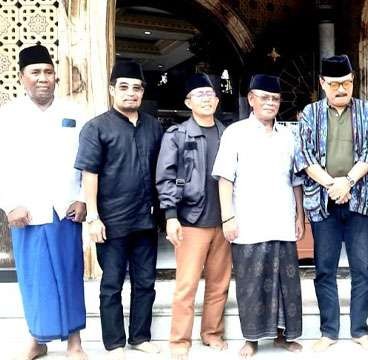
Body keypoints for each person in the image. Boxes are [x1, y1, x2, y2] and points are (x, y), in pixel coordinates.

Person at [0, 44, 87, 360]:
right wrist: (10, 204)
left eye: (48, 72)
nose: (42, 78)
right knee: (34, 278)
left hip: (65, 208)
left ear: (55, 77)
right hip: (26, 210)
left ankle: (75, 342)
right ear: (22, 78)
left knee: (70, 272)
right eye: (35, 72)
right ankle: (37, 339)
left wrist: (82, 199)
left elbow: (88, 161)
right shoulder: (8, 115)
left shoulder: (75, 112)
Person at [74, 61, 164, 359]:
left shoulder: (154, 126)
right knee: (111, 285)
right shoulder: (96, 127)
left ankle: (140, 336)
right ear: (112, 90)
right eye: (123, 87)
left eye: (136, 88)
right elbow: (90, 174)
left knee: (146, 282)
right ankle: (114, 344)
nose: (131, 93)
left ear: (142, 92)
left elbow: (161, 172)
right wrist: (93, 217)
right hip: (110, 222)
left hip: (146, 220)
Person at [294, 54, 368, 351]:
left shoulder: (367, 110)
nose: (341, 89)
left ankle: (360, 329)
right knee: (324, 270)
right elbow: (303, 157)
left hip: (359, 201)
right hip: (323, 201)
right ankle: (329, 331)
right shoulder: (310, 113)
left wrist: (348, 182)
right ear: (322, 84)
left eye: (346, 82)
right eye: (334, 84)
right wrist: (333, 184)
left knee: (362, 269)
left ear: (353, 80)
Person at [213, 74, 305, 359]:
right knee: (251, 285)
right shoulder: (235, 133)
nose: (270, 103)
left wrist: (300, 215)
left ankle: (284, 336)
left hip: (282, 220)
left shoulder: (288, 136)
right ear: (251, 100)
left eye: (275, 99)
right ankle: (251, 339)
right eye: (264, 97)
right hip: (249, 223)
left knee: (286, 284)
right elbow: (225, 178)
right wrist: (228, 217)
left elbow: (296, 180)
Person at [155, 74, 231, 359]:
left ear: (217, 99)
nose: (206, 99)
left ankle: (211, 333)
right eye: (199, 94)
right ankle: (179, 341)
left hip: (223, 222)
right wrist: (171, 216)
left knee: (219, 283)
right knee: (186, 285)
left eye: (210, 94)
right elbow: (165, 177)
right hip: (191, 220)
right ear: (188, 102)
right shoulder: (177, 134)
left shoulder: (228, 134)